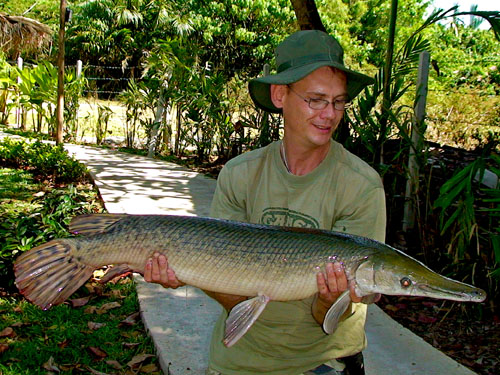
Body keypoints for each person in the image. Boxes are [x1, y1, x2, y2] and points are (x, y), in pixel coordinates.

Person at [144, 30, 386, 375]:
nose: (329, 114)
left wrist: (332, 299)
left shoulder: (361, 186)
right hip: (239, 360)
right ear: (279, 95)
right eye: (316, 99)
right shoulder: (240, 173)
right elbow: (231, 294)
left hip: (323, 363)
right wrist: (186, 272)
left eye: (338, 101)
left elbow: (331, 317)